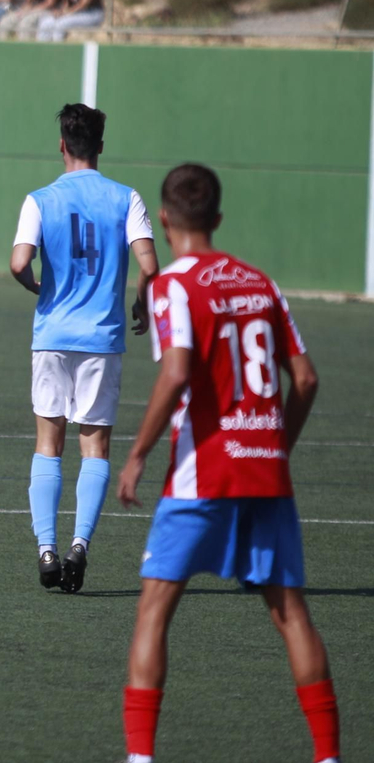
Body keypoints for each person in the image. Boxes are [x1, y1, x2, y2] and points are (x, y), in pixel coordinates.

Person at [117, 164, 338, 763]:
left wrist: (136, 455)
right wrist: (275, 445)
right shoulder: (262, 283)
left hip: (202, 476)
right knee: (291, 614)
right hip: (266, 472)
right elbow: (308, 379)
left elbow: (178, 370)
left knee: (155, 610)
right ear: (217, 218)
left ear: (164, 219)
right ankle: (328, 756)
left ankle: (141, 758)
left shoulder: (172, 286)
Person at [10, 103, 159, 592]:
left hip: (52, 335)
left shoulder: (39, 199)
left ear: (61, 145)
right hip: (103, 339)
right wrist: (140, 305)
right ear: (100, 146)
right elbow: (151, 267)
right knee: (94, 446)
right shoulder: (126, 198)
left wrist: (37, 286)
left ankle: (46, 549)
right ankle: (80, 547)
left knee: (47, 443)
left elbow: (18, 262)